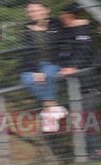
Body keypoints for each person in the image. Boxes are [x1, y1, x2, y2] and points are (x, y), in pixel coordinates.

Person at [58, 2, 100, 160]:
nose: (63, 18)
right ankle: (87, 153)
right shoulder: (67, 31)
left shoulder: (84, 30)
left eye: (65, 15)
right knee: (78, 119)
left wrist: (73, 67)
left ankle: (96, 152)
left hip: (88, 84)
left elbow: (84, 51)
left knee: (88, 118)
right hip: (72, 86)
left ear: (71, 14)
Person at [20, 1, 68, 132]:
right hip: (35, 65)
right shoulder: (26, 29)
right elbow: (27, 53)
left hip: (54, 62)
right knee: (26, 79)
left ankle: (48, 111)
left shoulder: (57, 25)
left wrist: (44, 29)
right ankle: (53, 107)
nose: (33, 14)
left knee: (48, 74)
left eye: (36, 10)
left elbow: (62, 46)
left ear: (47, 10)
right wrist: (35, 71)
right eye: (30, 12)